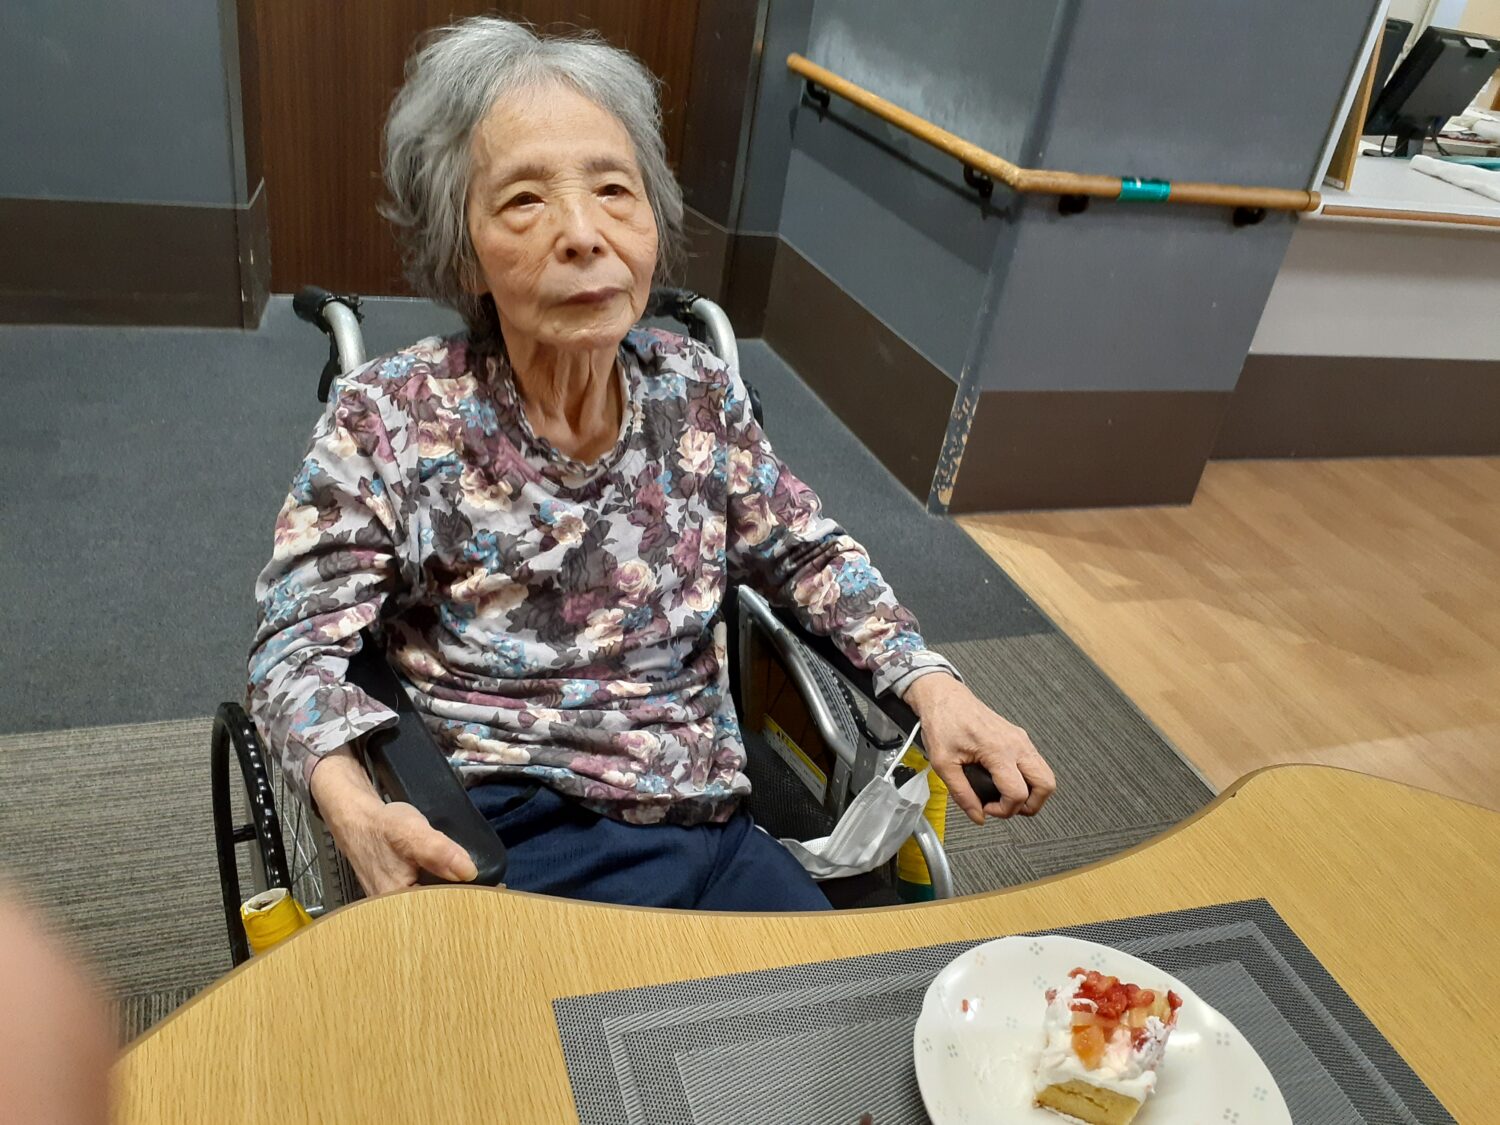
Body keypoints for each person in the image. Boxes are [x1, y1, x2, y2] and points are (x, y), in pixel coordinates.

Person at [248, 16, 1055, 910]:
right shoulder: (391, 418)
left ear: (652, 225)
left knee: (836, 997)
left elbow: (809, 555)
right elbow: (294, 648)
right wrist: (354, 808)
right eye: (524, 201)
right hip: (506, 838)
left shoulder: (694, 389)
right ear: (463, 250)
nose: (582, 233)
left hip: (706, 821)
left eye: (613, 190)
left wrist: (932, 684)